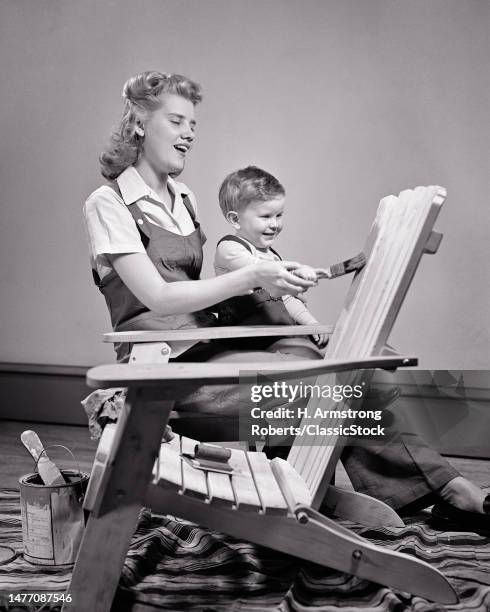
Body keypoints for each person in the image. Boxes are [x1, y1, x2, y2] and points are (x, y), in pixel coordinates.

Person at [83, 70, 489, 532]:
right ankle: (444, 491)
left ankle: (410, 489)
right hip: (163, 371)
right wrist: (253, 274)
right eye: (177, 122)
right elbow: (157, 295)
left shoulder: (184, 198)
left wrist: (268, 281)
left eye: (192, 124)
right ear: (139, 124)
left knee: (342, 372)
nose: (189, 133)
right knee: (341, 390)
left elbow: (204, 296)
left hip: (209, 349)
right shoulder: (108, 203)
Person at [214, 165, 329, 353]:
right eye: (266, 216)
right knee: (301, 355)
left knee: (316, 350)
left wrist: (312, 323)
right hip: (245, 339)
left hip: (275, 334)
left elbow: (286, 299)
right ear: (235, 220)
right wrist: (296, 272)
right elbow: (261, 271)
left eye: (279, 215)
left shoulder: (273, 257)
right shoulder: (230, 248)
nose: (275, 224)